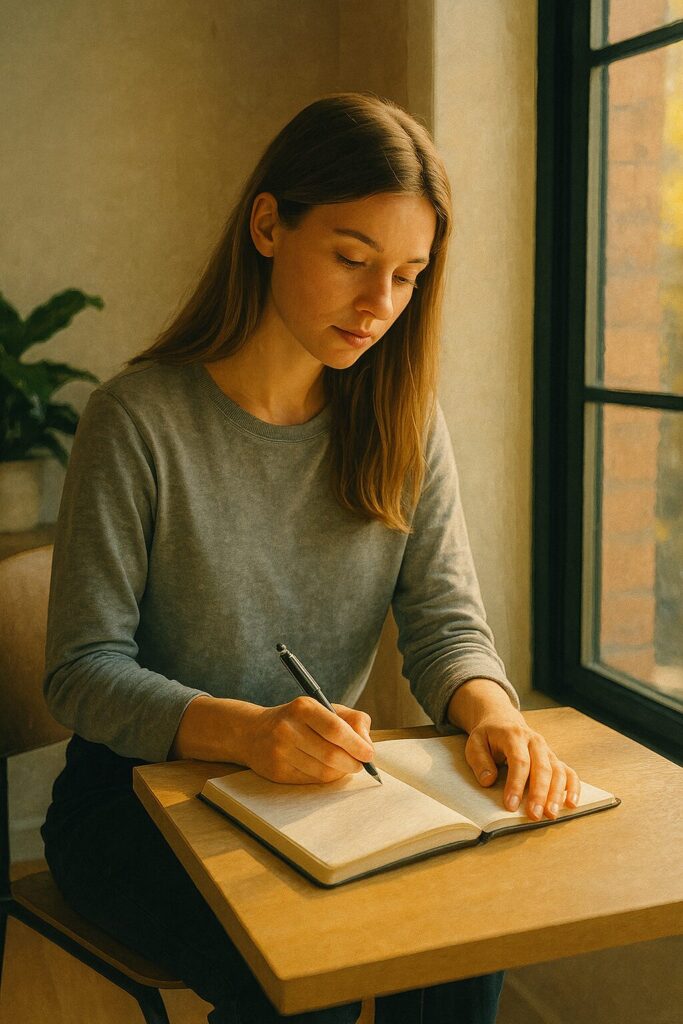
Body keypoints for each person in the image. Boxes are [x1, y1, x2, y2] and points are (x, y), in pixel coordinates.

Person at [41, 92, 581, 1024]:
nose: (379, 305)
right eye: (350, 258)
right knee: (312, 972)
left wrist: (493, 714)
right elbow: (82, 674)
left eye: (407, 276)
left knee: (462, 938)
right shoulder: (136, 419)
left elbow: (446, 625)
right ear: (267, 225)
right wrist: (248, 733)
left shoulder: (401, 420)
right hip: (132, 804)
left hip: (323, 796)